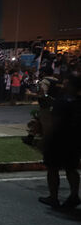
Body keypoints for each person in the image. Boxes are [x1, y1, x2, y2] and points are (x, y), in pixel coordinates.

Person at [38, 74, 81, 209]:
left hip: (58, 139)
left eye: (66, 82)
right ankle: (74, 195)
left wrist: (47, 138)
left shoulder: (61, 101)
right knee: (71, 169)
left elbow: (55, 122)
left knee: (52, 168)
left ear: (70, 85)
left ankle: (54, 197)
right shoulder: (78, 101)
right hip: (74, 139)